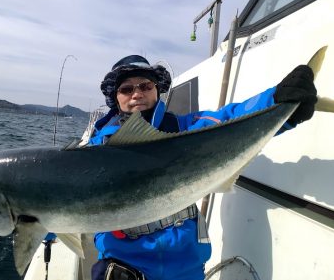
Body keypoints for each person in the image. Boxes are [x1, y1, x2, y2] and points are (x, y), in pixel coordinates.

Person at [89, 55, 317, 280]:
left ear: (156, 90)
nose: (137, 93)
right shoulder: (96, 150)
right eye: (127, 90)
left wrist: (277, 101)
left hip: (186, 270)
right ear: (115, 97)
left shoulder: (185, 129)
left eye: (145, 86)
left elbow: (231, 119)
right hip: (124, 270)